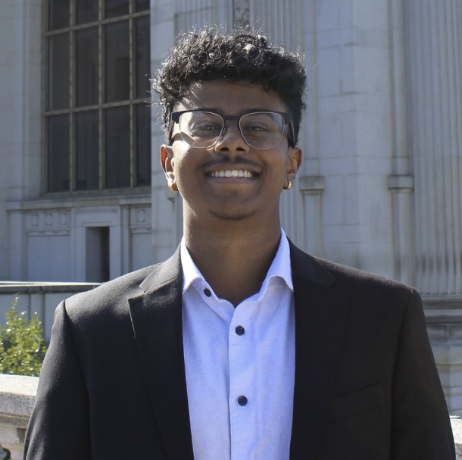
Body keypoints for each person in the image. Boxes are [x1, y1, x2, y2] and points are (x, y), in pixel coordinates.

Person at [24, 27, 455, 460]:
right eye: (206, 124)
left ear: (292, 163)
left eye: (259, 127)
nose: (231, 142)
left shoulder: (384, 318)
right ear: (168, 164)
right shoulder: (90, 331)